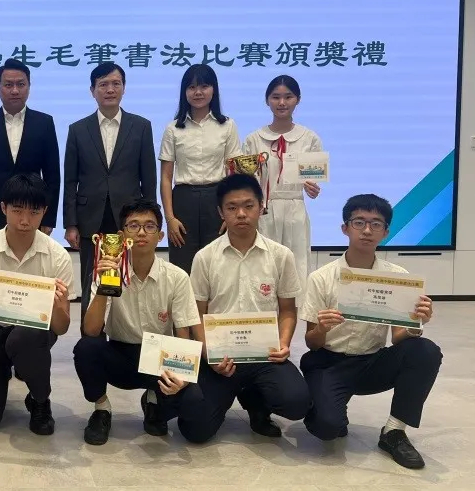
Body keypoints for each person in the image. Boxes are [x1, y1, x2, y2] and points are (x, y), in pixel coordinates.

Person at [299, 194, 441, 469]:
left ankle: (394, 431)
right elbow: (311, 343)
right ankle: (329, 407)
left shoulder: (397, 277)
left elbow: (398, 338)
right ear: (345, 228)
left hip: (371, 362)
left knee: (425, 350)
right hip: (329, 363)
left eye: (376, 224)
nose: (366, 230)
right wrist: (322, 328)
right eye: (359, 222)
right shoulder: (321, 278)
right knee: (327, 428)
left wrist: (415, 323)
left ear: (385, 232)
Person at [182, 173, 311, 443]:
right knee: (195, 430)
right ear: (221, 212)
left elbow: (288, 310)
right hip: (220, 358)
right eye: (232, 207)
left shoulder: (281, 256)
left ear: (261, 207)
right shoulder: (205, 257)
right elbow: (197, 314)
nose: (241, 214)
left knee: (296, 402)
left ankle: (255, 402)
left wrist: (283, 344)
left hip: (264, 357)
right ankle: (228, 392)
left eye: (248, 205)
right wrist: (209, 356)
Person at [75, 198, 204, 445]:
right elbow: (91, 330)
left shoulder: (176, 277)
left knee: (193, 402)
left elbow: (183, 334)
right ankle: (102, 409)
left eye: (150, 226)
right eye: (133, 226)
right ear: (122, 236)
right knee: (86, 348)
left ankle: (153, 400)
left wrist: (182, 378)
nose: (142, 232)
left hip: (159, 359)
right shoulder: (109, 271)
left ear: (160, 236)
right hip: (120, 355)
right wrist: (104, 286)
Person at [0, 174, 73, 435]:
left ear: (44, 212)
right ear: (3, 208)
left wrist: (58, 305)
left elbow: (62, 328)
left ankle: (40, 399)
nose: (25, 220)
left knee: (25, 337)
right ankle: (0, 371)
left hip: (34, 334)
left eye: (34, 212)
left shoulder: (57, 256)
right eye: (17, 210)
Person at [65, 62, 157, 329]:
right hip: (89, 218)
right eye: (103, 84)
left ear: (124, 88)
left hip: (129, 219)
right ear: (92, 90)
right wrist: (70, 223)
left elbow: (148, 178)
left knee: (128, 278)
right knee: (90, 279)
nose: (110, 89)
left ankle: (125, 332)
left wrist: (151, 219)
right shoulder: (77, 129)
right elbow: (70, 181)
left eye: (116, 83)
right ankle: (90, 338)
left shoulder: (141, 126)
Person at [242, 75, 323, 295]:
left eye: (288, 97)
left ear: (298, 99)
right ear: (267, 100)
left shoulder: (309, 138)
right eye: (276, 97)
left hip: (295, 209)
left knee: (297, 263)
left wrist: (312, 189)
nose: (282, 103)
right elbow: (246, 180)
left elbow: (313, 178)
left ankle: (296, 312)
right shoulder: (254, 139)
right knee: (263, 263)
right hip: (264, 210)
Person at [159, 64, 239, 275]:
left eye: (204, 86)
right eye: (192, 87)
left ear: (214, 90)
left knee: (218, 268)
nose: (198, 92)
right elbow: (166, 178)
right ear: (184, 92)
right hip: (183, 201)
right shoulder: (173, 128)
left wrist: (230, 212)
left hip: (217, 201)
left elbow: (234, 174)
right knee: (182, 268)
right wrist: (170, 218)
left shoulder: (227, 125)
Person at [0, 58, 60, 239]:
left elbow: (53, 176)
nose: (15, 90)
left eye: (21, 84)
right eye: (8, 85)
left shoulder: (45, 123)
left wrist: (49, 218)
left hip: (32, 214)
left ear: (29, 87)